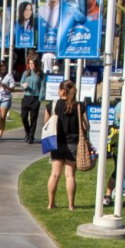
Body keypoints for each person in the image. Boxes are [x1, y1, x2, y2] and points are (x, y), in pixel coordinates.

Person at [45, 78, 83, 211]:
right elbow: (86, 125)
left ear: (62, 91)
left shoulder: (53, 105)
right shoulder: (78, 106)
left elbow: (46, 123)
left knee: (55, 174)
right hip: (73, 143)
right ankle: (71, 205)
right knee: (70, 175)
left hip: (56, 142)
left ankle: (51, 203)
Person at [18, 55, 46, 143]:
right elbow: (21, 83)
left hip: (35, 98)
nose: (31, 65)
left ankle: (31, 137)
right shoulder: (26, 73)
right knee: (23, 117)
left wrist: (39, 99)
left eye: (33, 63)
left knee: (33, 119)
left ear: (36, 64)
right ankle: (28, 131)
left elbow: (43, 87)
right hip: (26, 97)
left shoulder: (41, 75)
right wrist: (23, 85)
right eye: (30, 63)